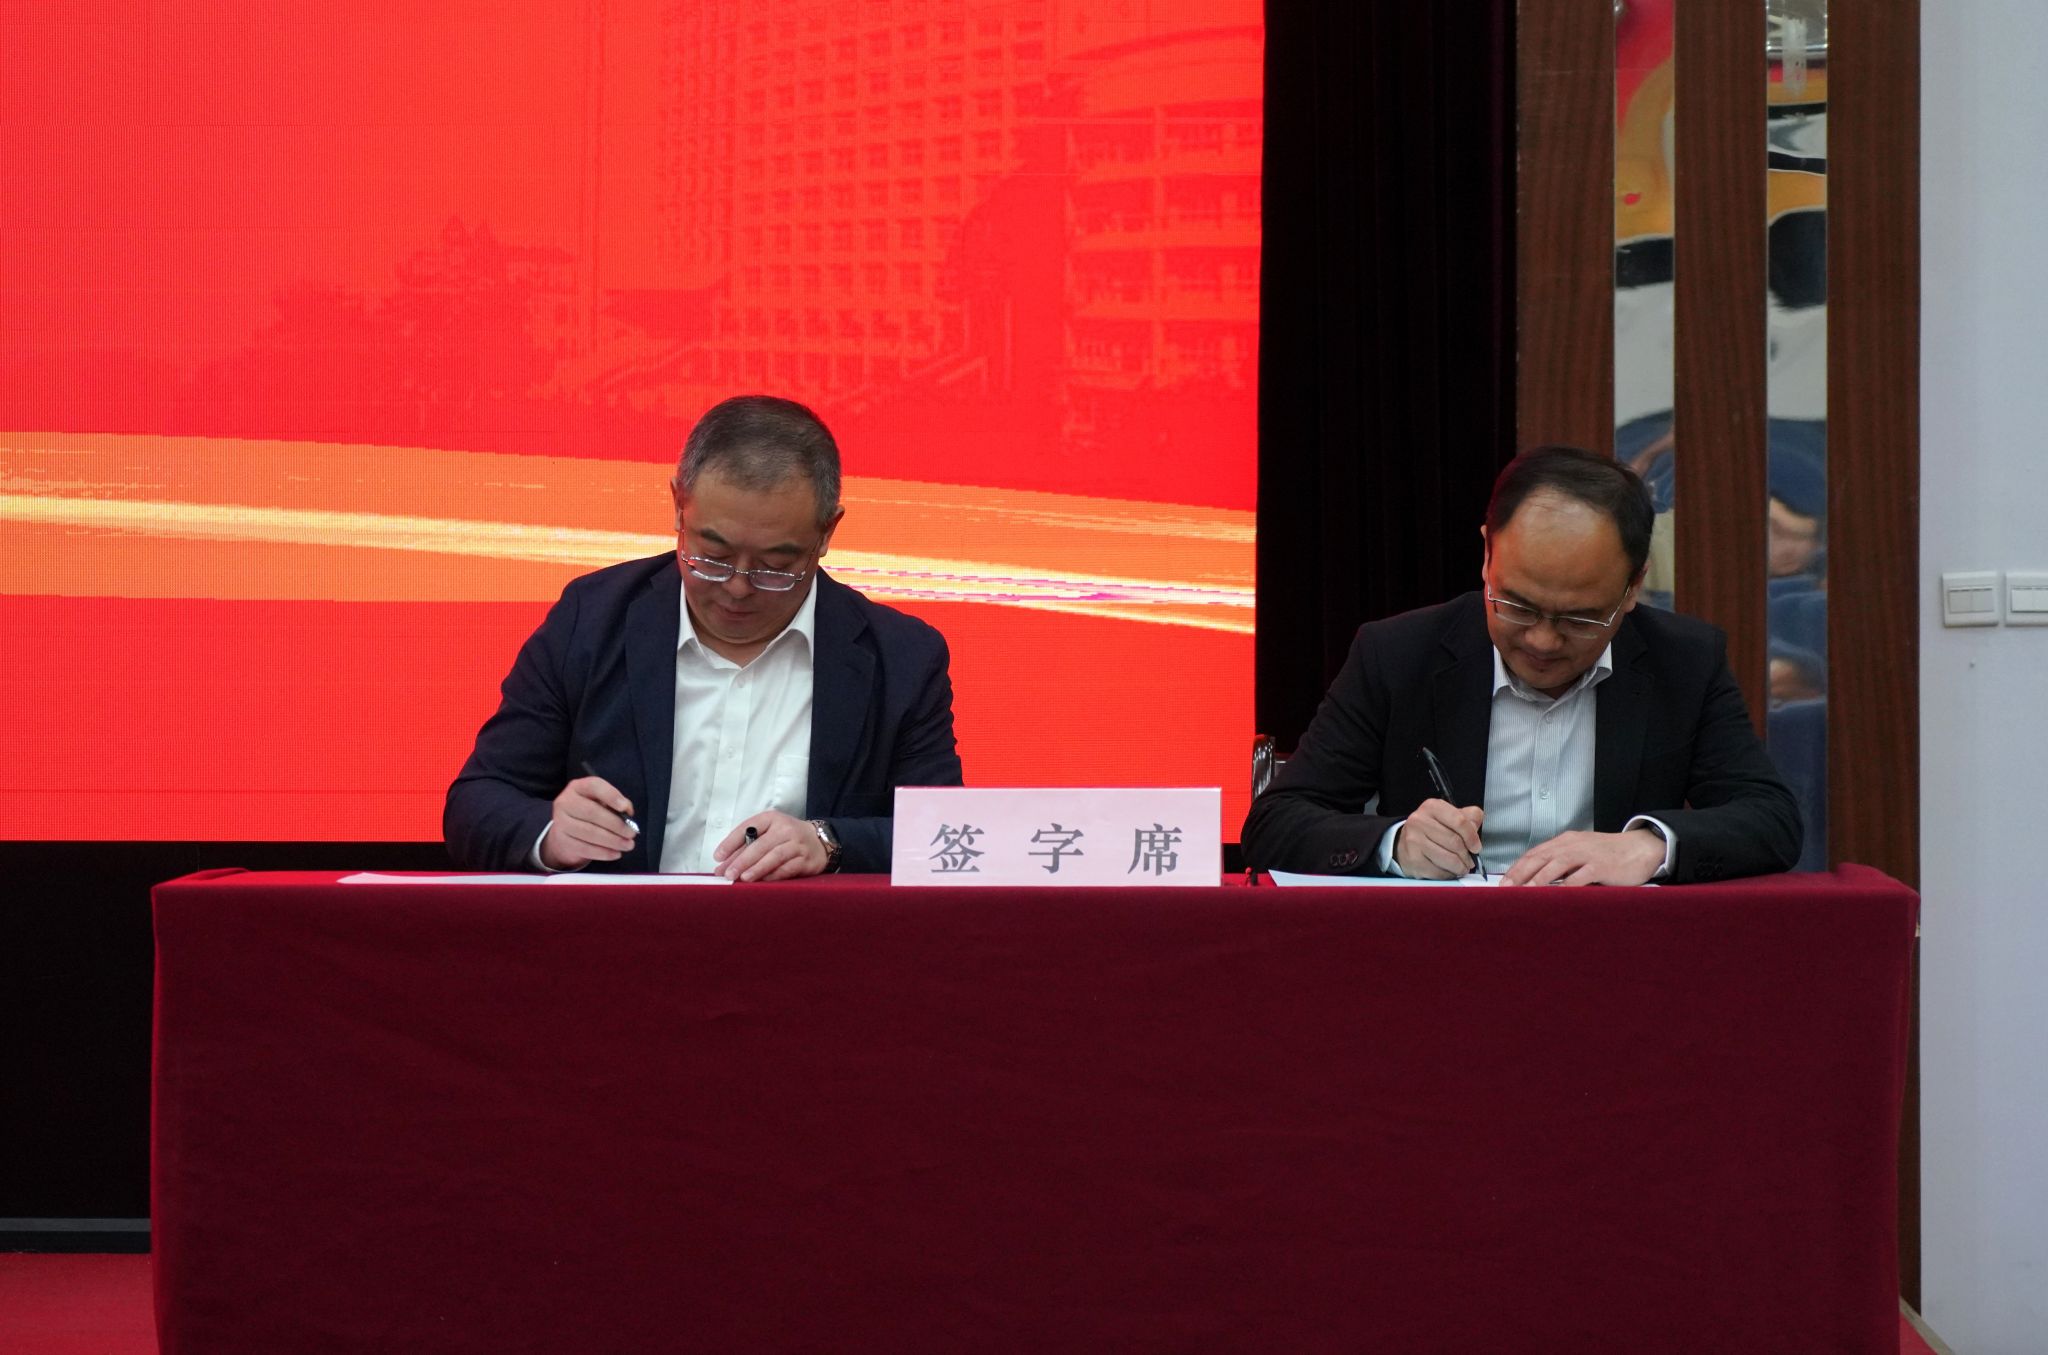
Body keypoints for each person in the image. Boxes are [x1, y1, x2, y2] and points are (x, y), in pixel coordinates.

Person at [445, 395, 963, 879]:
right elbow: (477, 801)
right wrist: (552, 835)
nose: (738, 587)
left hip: (804, 942)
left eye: (775, 566)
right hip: (616, 937)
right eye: (711, 557)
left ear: (827, 533)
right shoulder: (592, 619)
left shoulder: (901, 660)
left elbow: (946, 835)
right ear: (679, 505)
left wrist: (830, 842)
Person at [1242, 445, 1800, 886]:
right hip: (1437, 949)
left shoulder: (1684, 661)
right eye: (1517, 606)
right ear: (1487, 555)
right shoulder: (1399, 654)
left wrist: (1648, 845)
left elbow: (1771, 818)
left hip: (1614, 950)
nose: (1542, 640)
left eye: (1580, 618)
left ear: (1633, 588)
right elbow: (1275, 822)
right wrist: (1396, 843)